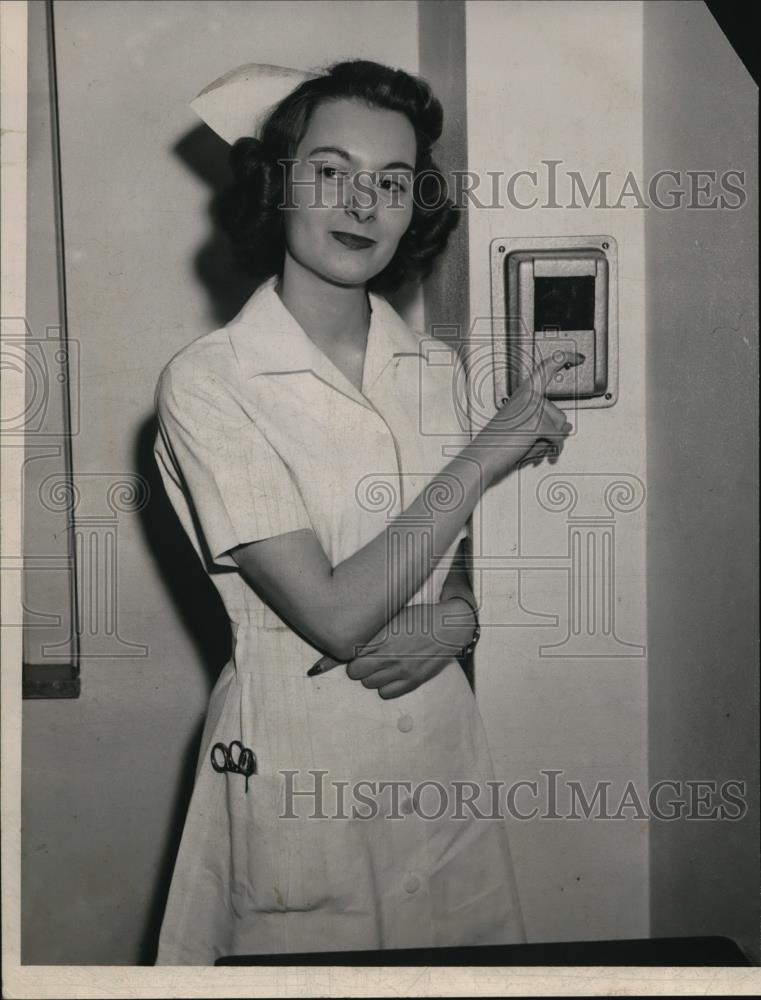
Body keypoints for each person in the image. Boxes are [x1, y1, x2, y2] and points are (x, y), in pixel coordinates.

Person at [153, 58, 578, 965]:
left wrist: (460, 617)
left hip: (438, 748)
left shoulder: (432, 369)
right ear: (278, 184)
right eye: (331, 170)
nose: (361, 202)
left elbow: (450, 552)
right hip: (298, 762)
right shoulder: (210, 382)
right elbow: (339, 617)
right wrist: (488, 451)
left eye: (390, 181)